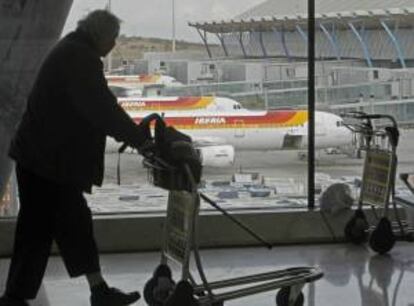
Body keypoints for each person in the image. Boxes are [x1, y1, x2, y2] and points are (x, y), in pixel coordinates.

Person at [0, 10, 150, 306]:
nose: (113, 45)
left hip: (42, 159)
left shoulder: (70, 49)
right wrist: (140, 140)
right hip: (49, 163)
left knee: (54, 228)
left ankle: (92, 291)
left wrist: (133, 136)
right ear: (101, 36)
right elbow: (102, 109)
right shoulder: (80, 59)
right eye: (113, 39)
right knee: (56, 227)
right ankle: (22, 297)